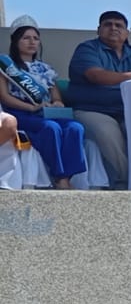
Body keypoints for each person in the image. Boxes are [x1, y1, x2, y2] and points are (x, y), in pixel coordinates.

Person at [65, 10, 131, 186]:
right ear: (98, 30)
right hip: (91, 109)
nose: (113, 28)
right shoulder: (87, 49)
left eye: (119, 25)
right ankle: (128, 184)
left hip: (126, 111)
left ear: (127, 33)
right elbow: (96, 76)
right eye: (108, 24)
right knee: (108, 134)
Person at [2, 23, 88, 188]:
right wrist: (31, 108)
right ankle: (60, 177)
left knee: (75, 128)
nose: (32, 42)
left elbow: (56, 96)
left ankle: (67, 177)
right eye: (26, 38)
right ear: (16, 41)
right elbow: (5, 97)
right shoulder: (6, 67)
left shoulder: (46, 69)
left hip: (45, 112)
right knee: (50, 128)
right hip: (20, 112)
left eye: (35, 38)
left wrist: (57, 103)